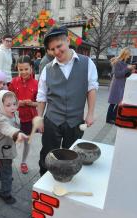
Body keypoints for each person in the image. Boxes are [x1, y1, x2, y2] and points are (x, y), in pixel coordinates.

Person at [37, 26, 98, 176]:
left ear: (68, 41)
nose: (56, 52)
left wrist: (90, 113)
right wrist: (39, 118)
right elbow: (41, 96)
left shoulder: (87, 63)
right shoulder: (47, 69)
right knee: (48, 154)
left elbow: (91, 88)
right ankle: (44, 181)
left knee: (71, 155)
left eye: (59, 46)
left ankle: (67, 178)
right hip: (52, 120)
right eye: (52, 49)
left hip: (75, 121)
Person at [0, 90, 28, 204]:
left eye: (14, 104)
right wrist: (17, 133)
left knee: (4, 166)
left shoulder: (13, 113)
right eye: (8, 105)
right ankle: (5, 193)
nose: (13, 107)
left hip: (8, 145)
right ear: (0, 105)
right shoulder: (1, 119)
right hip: (4, 148)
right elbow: (7, 128)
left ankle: (1, 174)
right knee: (7, 170)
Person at [9, 55, 38, 174]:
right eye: (20, 69)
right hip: (15, 118)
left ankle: (23, 162)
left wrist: (31, 103)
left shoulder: (36, 83)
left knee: (27, 141)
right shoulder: (13, 82)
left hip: (29, 118)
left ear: (31, 68)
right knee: (11, 140)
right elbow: (7, 101)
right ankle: (7, 160)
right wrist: (17, 103)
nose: (23, 72)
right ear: (17, 69)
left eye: (26, 69)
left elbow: (40, 103)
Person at [107, 48, 133, 124]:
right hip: (117, 84)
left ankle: (113, 117)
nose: (129, 57)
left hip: (121, 84)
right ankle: (109, 119)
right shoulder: (118, 62)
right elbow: (118, 75)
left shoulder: (124, 63)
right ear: (125, 54)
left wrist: (131, 70)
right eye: (128, 55)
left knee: (118, 102)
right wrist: (127, 68)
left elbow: (125, 74)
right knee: (113, 103)